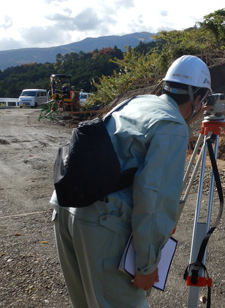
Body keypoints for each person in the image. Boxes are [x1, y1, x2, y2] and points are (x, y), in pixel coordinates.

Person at [50, 55, 211, 308]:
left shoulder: (137, 101)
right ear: (198, 98)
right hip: (101, 223)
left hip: (67, 207)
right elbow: (154, 200)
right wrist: (146, 265)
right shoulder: (172, 125)